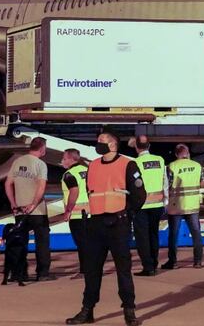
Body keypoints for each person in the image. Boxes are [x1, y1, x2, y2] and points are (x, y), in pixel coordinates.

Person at [66, 130, 145, 326]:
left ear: (113, 144)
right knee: (92, 270)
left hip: (118, 224)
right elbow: (91, 191)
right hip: (96, 223)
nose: (97, 143)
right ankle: (87, 310)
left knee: (123, 270)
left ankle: (129, 310)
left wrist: (127, 214)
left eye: (101, 141)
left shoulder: (128, 164)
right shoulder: (92, 165)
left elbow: (139, 195)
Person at [5, 136, 52, 282]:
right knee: (42, 242)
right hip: (37, 211)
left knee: (19, 242)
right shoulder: (40, 164)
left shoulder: (17, 162)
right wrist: (33, 204)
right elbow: (41, 187)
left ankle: (18, 273)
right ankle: (42, 273)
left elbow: (8, 184)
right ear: (42, 148)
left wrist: (13, 203)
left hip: (19, 209)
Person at [162, 143, 204, 270]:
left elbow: (168, 186)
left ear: (176, 154)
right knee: (196, 234)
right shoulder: (197, 166)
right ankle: (198, 261)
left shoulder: (172, 166)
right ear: (187, 153)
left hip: (176, 206)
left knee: (173, 235)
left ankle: (173, 262)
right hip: (192, 205)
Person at [130, 134, 166, 276]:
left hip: (141, 206)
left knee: (142, 238)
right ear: (149, 146)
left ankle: (148, 266)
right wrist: (165, 201)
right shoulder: (160, 160)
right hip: (157, 204)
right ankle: (154, 263)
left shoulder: (135, 163)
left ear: (137, 148)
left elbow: (134, 184)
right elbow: (165, 182)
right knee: (153, 235)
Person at [60, 148, 91, 278]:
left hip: (78, 215)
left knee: (82, 244)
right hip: (91, 213)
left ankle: (85, 271)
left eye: (64, 158)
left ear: (72, 159)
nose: (62, 161)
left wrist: (68, 211)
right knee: (90, 243)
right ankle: (93, 269)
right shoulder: (87, 171)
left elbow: (74, 191)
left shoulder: (69, 174)